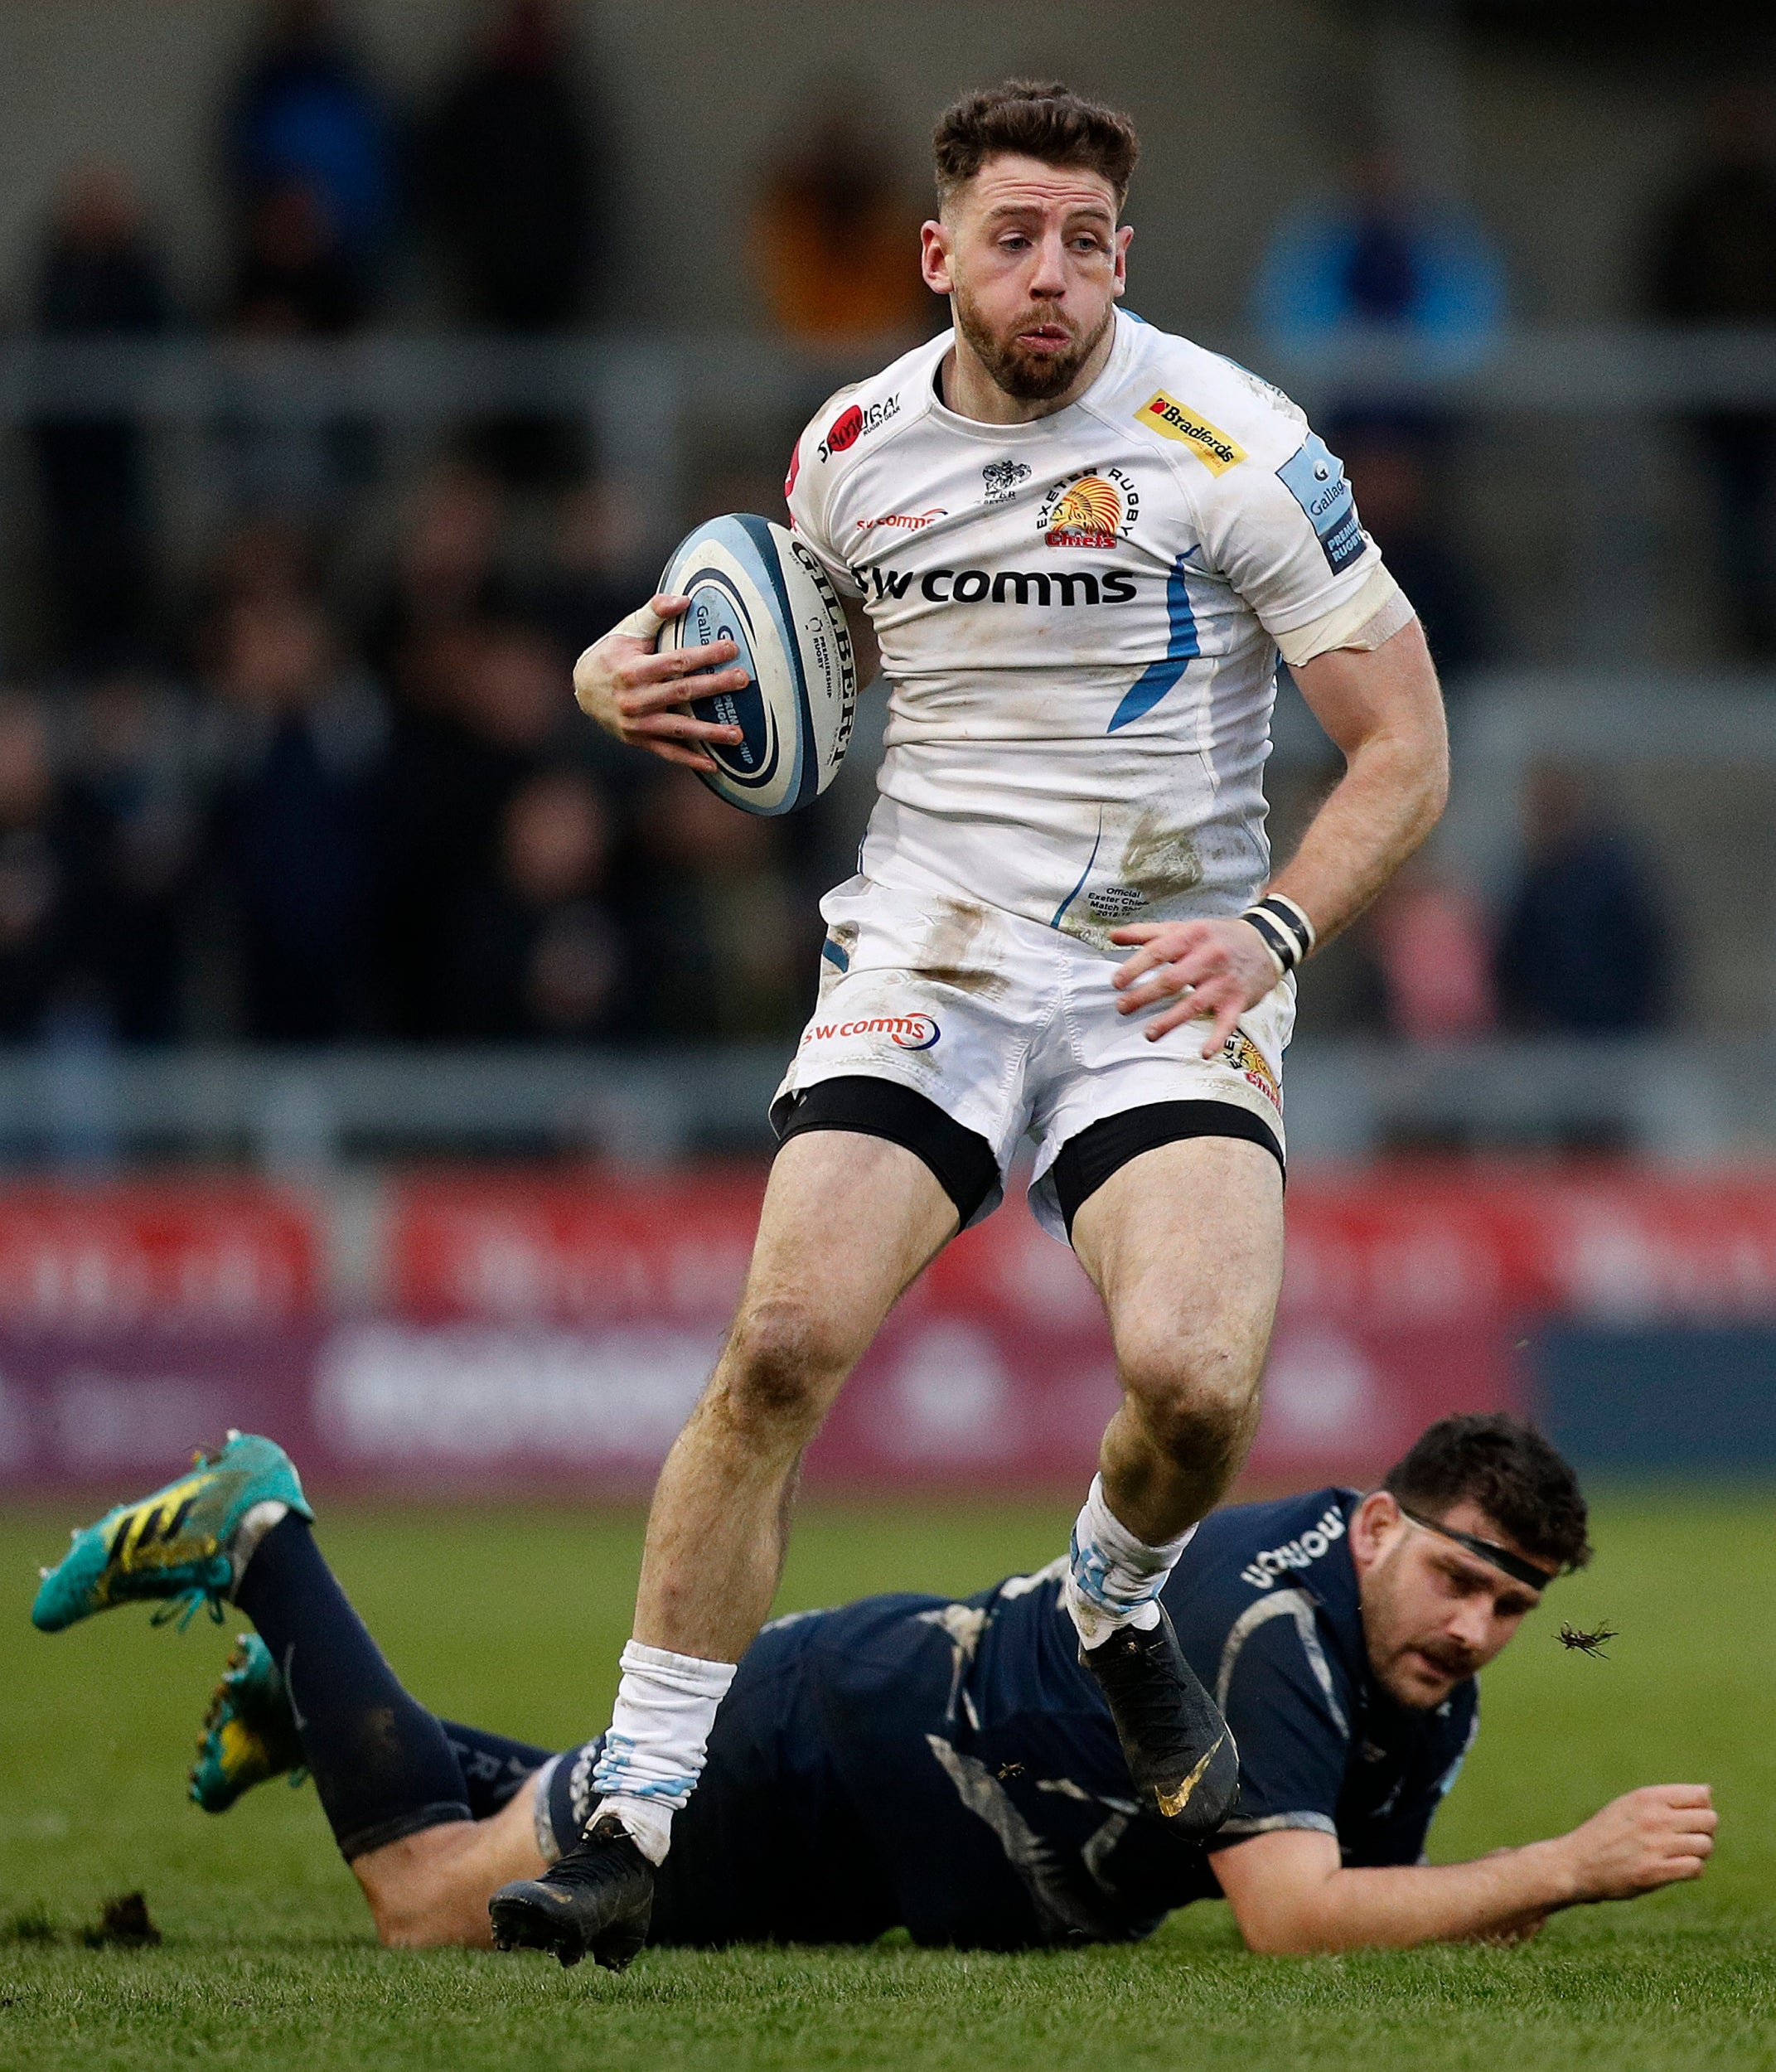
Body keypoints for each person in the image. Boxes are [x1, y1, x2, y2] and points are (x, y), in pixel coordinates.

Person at [543, 80, 1449, 1968]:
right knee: (781, 1341)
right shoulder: (849, 448)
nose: (1056, 276)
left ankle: (1111, 1599)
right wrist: (606, 674)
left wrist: (1270, 930)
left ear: (1128, 254)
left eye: (1089, 242)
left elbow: (1405, 750)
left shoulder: (1236, 444)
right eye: (1017, 237)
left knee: (1195, 1385)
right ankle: (635, 1803)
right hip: (928, 961)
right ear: (937, 250)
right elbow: (772, 663)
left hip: (1156, 968)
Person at [30, 1416, 1716, 1957]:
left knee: (539, 1860)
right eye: (1458, 1576)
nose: (1482, 1626)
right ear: (1367, 1526)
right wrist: (1567, 1863)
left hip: (906, 1836)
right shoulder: (1267, 1629)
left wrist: (1519, 1887)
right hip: (830, 1739)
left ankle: (304, 1707)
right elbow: (1292, 1913)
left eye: (1513, 1600)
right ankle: (263, 1530)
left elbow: (1391, 1895)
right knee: (429, 1904)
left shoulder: (1416, 1670)